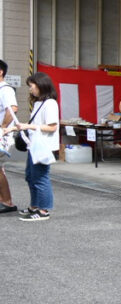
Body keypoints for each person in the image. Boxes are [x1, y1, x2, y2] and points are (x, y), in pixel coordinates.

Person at [15, 72, 60, 222]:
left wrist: (28, 125)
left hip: (43, 146)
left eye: (31, 86)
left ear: (41, 85)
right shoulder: (39, 103)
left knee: (40, 177)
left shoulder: (50, 103)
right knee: (31, 176)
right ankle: (34, 206)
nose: (30, 89)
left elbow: (52, 127)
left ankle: (43, 210)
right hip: (34, 145)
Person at [0, 59, 18, 214]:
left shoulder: (5, 89)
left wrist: (2, 128)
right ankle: (4, 200)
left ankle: (7, 201)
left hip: (2, 136)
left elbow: (12, 109)